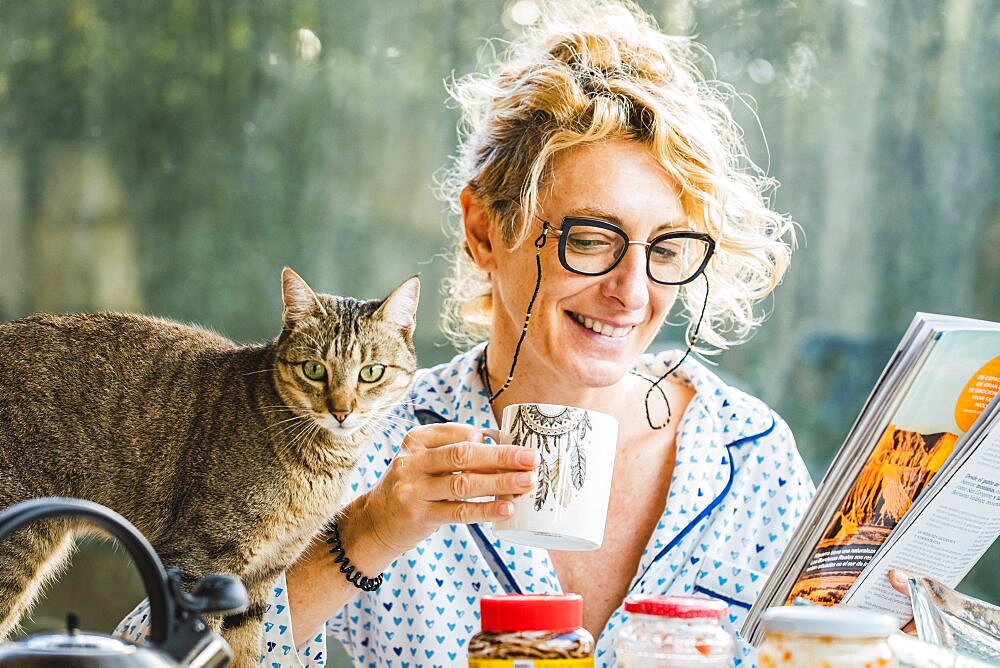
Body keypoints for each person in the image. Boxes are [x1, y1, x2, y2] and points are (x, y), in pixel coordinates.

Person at [118, 1, 813, 666]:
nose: (631, 291)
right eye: (593, 239)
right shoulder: (359, 445)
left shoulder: (747, 457)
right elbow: (146, 657)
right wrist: (363, 536)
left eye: (665, 249)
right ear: (485, 231)